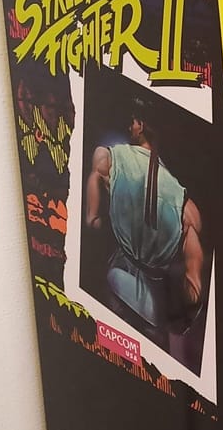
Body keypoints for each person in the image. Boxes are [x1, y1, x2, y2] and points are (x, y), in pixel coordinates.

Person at [86, 101, 203, 348]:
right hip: (156, 310)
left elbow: (93, 216)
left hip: (122, 286)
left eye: (133, 121)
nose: (129, 126)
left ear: (140, 125)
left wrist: (98, 219)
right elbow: (193, 284)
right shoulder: (185, 203)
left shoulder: (111, 156)